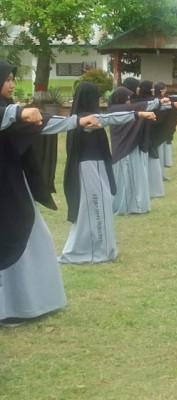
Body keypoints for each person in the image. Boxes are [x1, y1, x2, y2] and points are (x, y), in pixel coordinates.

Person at [0, 59, 103, 326]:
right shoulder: (9, 112)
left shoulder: (8, 111)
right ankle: (10, 309)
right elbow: (15, 117)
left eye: (13, 78)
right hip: (6, 194)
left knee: (34, 239)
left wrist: (77, 122)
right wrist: (16, 113)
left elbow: (42, 122)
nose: (11, 83)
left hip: (12, 187)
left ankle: (25, 304)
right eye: (7, 79)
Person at [58, 82, 117, 263]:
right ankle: (97, 251)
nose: (99, 100)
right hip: (89, 167)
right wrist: (138, 114)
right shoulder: (85, 119)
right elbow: (112, 119)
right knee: (96, 207)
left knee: (92, 209)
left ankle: (94, 249)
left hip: (93, 166)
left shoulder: (80, 118)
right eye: (97, 97)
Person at [108, 86, 169, 214]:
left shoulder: (124, 109)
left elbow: (136, 109)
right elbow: (135, 109)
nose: (129, 101)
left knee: (135, 177)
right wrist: (157, 102)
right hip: (123, 150)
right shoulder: (115, 110)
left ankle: (136, 205)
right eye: (127, 99)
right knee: (126, 179)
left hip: (131, 147)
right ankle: (127, 206)